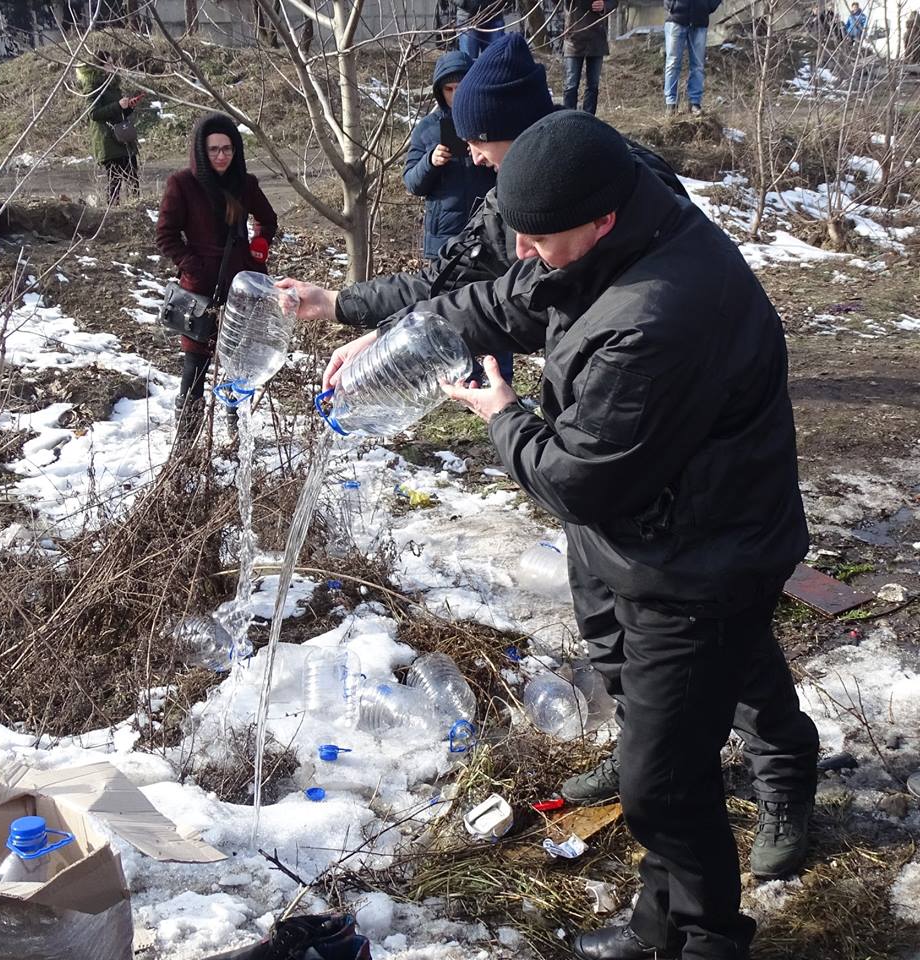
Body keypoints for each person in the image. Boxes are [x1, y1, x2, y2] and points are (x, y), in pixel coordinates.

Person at [324, 112, 821, 958]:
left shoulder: (659, 315)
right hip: (653, 541)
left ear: (602, 222)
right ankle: (657, 923)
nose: (525, 251)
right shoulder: (606, 240)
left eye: (541, 237)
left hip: (699, 565)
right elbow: (514, 296)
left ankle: (708, 938)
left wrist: (503, 413)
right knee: (663, 764)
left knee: (660, 785)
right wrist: (407, 332)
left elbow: (578, 477)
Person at [279, 34, 685, 337]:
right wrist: (337, 303)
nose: (472, 156)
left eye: (476, 141)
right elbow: (450, 284)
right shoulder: (524, 195)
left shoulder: (630, 184)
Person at [156, 113, 278, 427]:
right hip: (200, 292)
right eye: (214, 150)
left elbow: (267, 220)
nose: (221, 156)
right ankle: (187, 442)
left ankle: (235, 427)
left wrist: (257, 250)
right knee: (195, 365)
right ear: (201, 151)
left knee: (238, 360)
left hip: (241, 285)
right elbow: (166, 235)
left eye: (227, 149)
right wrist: (192, 265)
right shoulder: (182, 184)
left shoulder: (245, 184)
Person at [404, 51, 511, 382]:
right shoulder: (427, 129)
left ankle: (497, 379)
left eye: (462, 86)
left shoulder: (491, 123)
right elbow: (412, 183)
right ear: (440, 92)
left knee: (492, 309)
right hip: (445, 238)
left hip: (488, 235)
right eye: (449, 89)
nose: (456, 94)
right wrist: (431, 162)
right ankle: (454, 379)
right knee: (446, 313)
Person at [76, 52, 141, 203]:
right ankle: (113, 212)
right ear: (100, 66)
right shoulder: (93, 85)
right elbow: (93, 113)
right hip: (108, 140)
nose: (113, 66)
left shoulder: (112, 84)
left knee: (133, 178)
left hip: (122, 137)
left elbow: (118, 112)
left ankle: (136, 208)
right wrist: (117, 105)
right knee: (115, 181)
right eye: (109, 63)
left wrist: (128, 107)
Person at [663, 0, 722, 116]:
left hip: (700, 20)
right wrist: (671, 5)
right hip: (676, 19)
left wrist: (708, 6)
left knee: (698, 65)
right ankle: (671, 104)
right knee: (673, 63)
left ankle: (695, 103)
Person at [562, 0, 618, 115]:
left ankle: (589, 120)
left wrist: (605, 6)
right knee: (571, 84)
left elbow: (614, 2)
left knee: (593, 84)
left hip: (596, 38)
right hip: (573, 38)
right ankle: (567, 119)